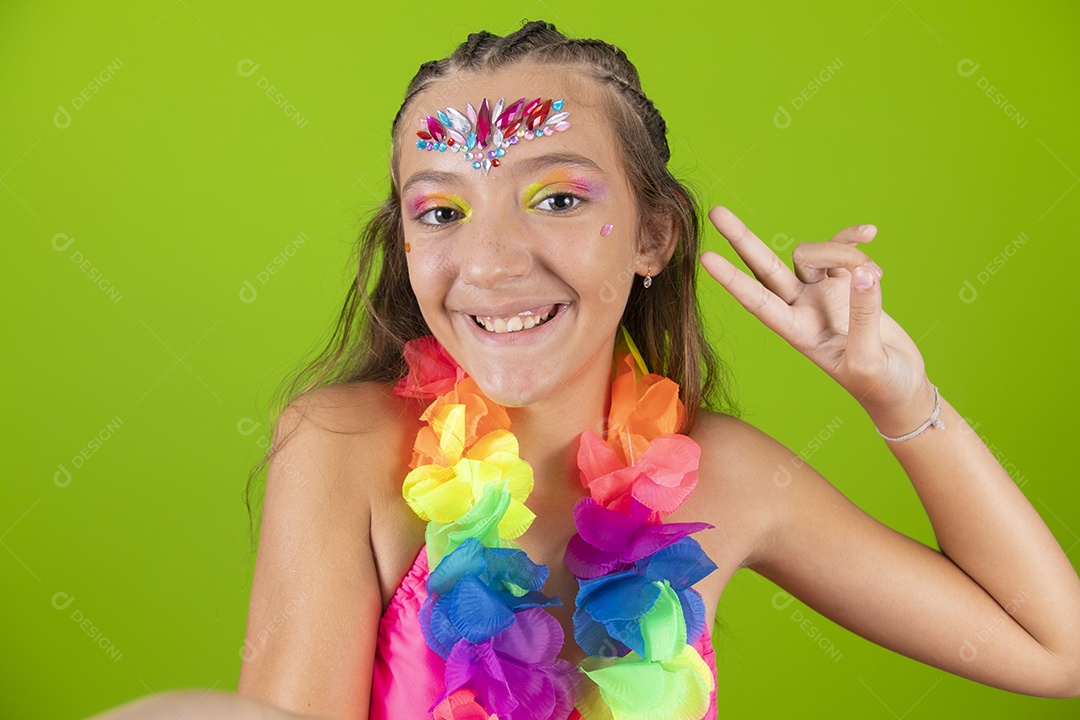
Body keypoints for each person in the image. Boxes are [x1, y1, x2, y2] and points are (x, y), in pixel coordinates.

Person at [87, 19, 1080, 720]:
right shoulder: (345, 446)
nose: (491, 262)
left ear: (652, 236)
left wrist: (898, 396)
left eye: (556, 200)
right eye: (441, 211)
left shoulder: (722, 474)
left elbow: (1054, 651)